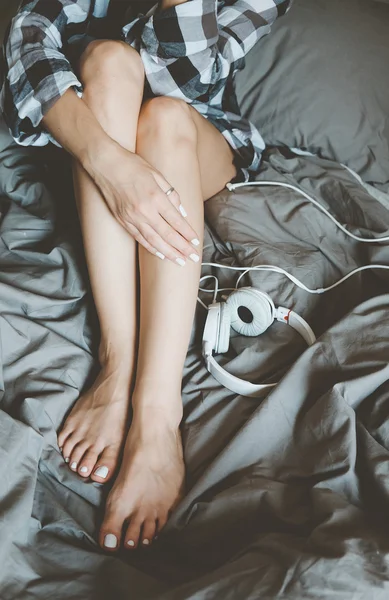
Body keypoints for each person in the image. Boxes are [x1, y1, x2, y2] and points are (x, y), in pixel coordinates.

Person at [0, 0, 292, 552]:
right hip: (97, 135)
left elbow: (183, 79)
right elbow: (29, 40)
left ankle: (157, 414)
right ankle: (118, 363)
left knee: (164, 117)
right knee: (108, 59)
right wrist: (109, 163)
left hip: (198, 136)